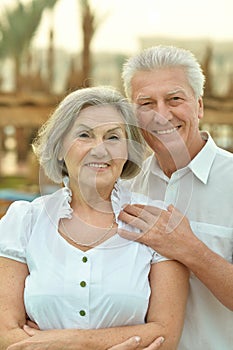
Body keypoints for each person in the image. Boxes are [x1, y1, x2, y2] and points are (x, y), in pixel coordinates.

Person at [0, 86, 189, 350]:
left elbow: (165, 334)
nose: (99, 150)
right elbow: (6, 333)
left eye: (112, 137)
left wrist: (74, 341)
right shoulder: (23, 220)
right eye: (84, 135)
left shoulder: (158, 221)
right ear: (59, 147)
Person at [117, 45, 233, 349]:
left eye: (174, 99)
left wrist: (189, 248)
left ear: (199, 106)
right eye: (146, 103)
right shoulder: (124, 189)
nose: (161, 115)